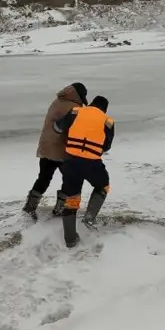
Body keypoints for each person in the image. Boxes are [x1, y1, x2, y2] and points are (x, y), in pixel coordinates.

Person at [52, 95, 115, 248]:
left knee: (72, 199)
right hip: (92, 163)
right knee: (103, 186)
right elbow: (106, 146)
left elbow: (58, 128)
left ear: (91, 104)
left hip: (71, 161)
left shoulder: (76, 112)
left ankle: (70, 240)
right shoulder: (108, 121)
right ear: (104, 109)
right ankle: (89, 218)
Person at [22, 82, 88, 219]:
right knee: (70, 179)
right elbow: (74, 130)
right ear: (78, 96)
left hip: (46, 147)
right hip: (62, 150)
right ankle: (60, 209)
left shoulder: (57, 101)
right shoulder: (74, 108)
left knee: (44, 178)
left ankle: (30, 207)